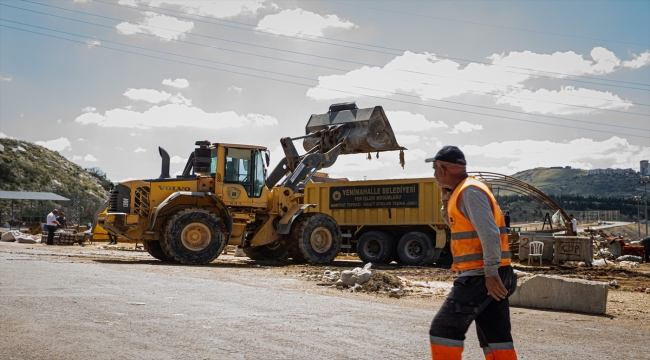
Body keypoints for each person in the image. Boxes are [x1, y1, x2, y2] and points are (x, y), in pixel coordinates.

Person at [426, 146, 518, 360]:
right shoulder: (464, 191)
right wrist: (445, 202)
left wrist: (490, 273)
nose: (434, 174)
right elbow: (459, 226)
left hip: (480, 276)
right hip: (491, 272)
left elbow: (490, 233)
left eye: (434, 169)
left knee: (443, 330)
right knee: (496, 337)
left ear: (443, 168)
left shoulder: (470, 191)